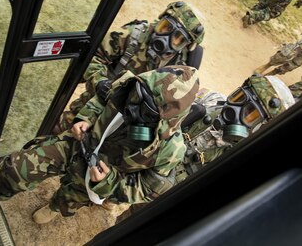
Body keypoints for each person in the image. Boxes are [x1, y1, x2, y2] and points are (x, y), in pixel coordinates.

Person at [0, 65, 200, 224]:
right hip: (78, 144)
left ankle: (54, 208)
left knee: (69, 200)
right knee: (18, 167)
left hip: (98, 179)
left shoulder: (171, 150)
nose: (135, 105)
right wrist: (85, 118)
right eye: (138, 95)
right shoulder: (127, 84)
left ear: (168, 117)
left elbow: (147, 190)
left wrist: (108, 182)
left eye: (146, 108)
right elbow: (100, 100)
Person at [116, 73, 296, 223]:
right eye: (239, 98)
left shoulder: (244, 159)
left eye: (250, 114)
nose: (235, 110)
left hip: (171, 203)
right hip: (152, 172)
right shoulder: (210, 100)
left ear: (262, 127)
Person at [53, 1, 205, 134]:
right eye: (166, 27)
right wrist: (100, 82)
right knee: (54, 135)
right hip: (94, 104)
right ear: (160, 20)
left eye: (179, 39)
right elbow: (92, 58)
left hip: (124, 126)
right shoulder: (132, 36)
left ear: (186, 47)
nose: (167, 38)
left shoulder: (178, 68)